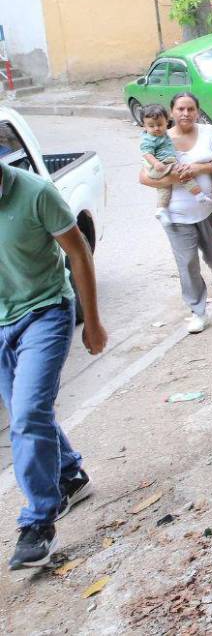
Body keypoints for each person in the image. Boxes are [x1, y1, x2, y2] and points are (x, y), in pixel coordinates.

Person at [0, 156, 108, 569]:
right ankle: (69, 474)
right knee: (26, 412)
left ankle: (39, 522)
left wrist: (93, 321)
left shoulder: (37, 193)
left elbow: (79, 254)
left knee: (26, 414)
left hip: (45, 311)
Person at [140, 92, 212, 334]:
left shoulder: (208, 133)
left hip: (208, 209)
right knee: (187, 262)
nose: (185, 113)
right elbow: (143, 177)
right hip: (176, 215)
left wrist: (197, 168)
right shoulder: (158, 136)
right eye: (180, 109)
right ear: (172, 112)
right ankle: (198, 311)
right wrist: (173, 175)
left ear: (197, 111)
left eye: (190, 109)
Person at [140, 103, 210, 225]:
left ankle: (161, 209)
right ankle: (199, 195)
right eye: (151, 126)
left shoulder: (164, 134)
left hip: (163, 165)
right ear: (144, 126)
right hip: (161, 165)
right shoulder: (149, 139)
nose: (156, 128)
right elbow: (146, 153)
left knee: (165, 189)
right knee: (183, 173)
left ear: (167, 122)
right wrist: (156, 163)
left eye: (160, 125)